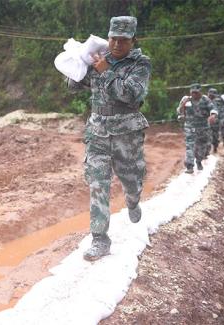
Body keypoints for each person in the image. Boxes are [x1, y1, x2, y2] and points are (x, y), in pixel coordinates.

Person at [66, 16, 151, 261]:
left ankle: (133, 201)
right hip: (98, 132)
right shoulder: (100, 59)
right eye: (113, 38)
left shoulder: (140, 64)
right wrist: (79, 64)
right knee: (97, 183)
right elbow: (73, 84)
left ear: (133, 41)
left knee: (131, 179)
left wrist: (106, 72)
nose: (116, 44)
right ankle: (100, 239)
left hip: (127, 133)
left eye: (123, 40)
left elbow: (131, 95)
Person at [177, 83, 216, 173]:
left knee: (201, 146)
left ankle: (199, 161)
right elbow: (179, 111)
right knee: (189, 146)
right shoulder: (186, 99)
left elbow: (213, 109)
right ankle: (189, 166)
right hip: (190, 127)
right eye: (192, 92)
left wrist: (213, 115)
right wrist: (183, 105)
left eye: (196, 92)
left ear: (200, 92)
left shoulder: (205, 99)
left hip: (203, 128)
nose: (194, 94)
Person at [207, 88, 221, 153]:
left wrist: (213, 115)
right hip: (206, 122)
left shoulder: (217, 101)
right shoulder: (205, 100)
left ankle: (215, 147)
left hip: (215, 122)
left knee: (215, 137)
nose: (210, 94)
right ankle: (206, 152)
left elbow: (216, 109)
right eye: (210, 93)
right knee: (207, 137)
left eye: (212, 93)